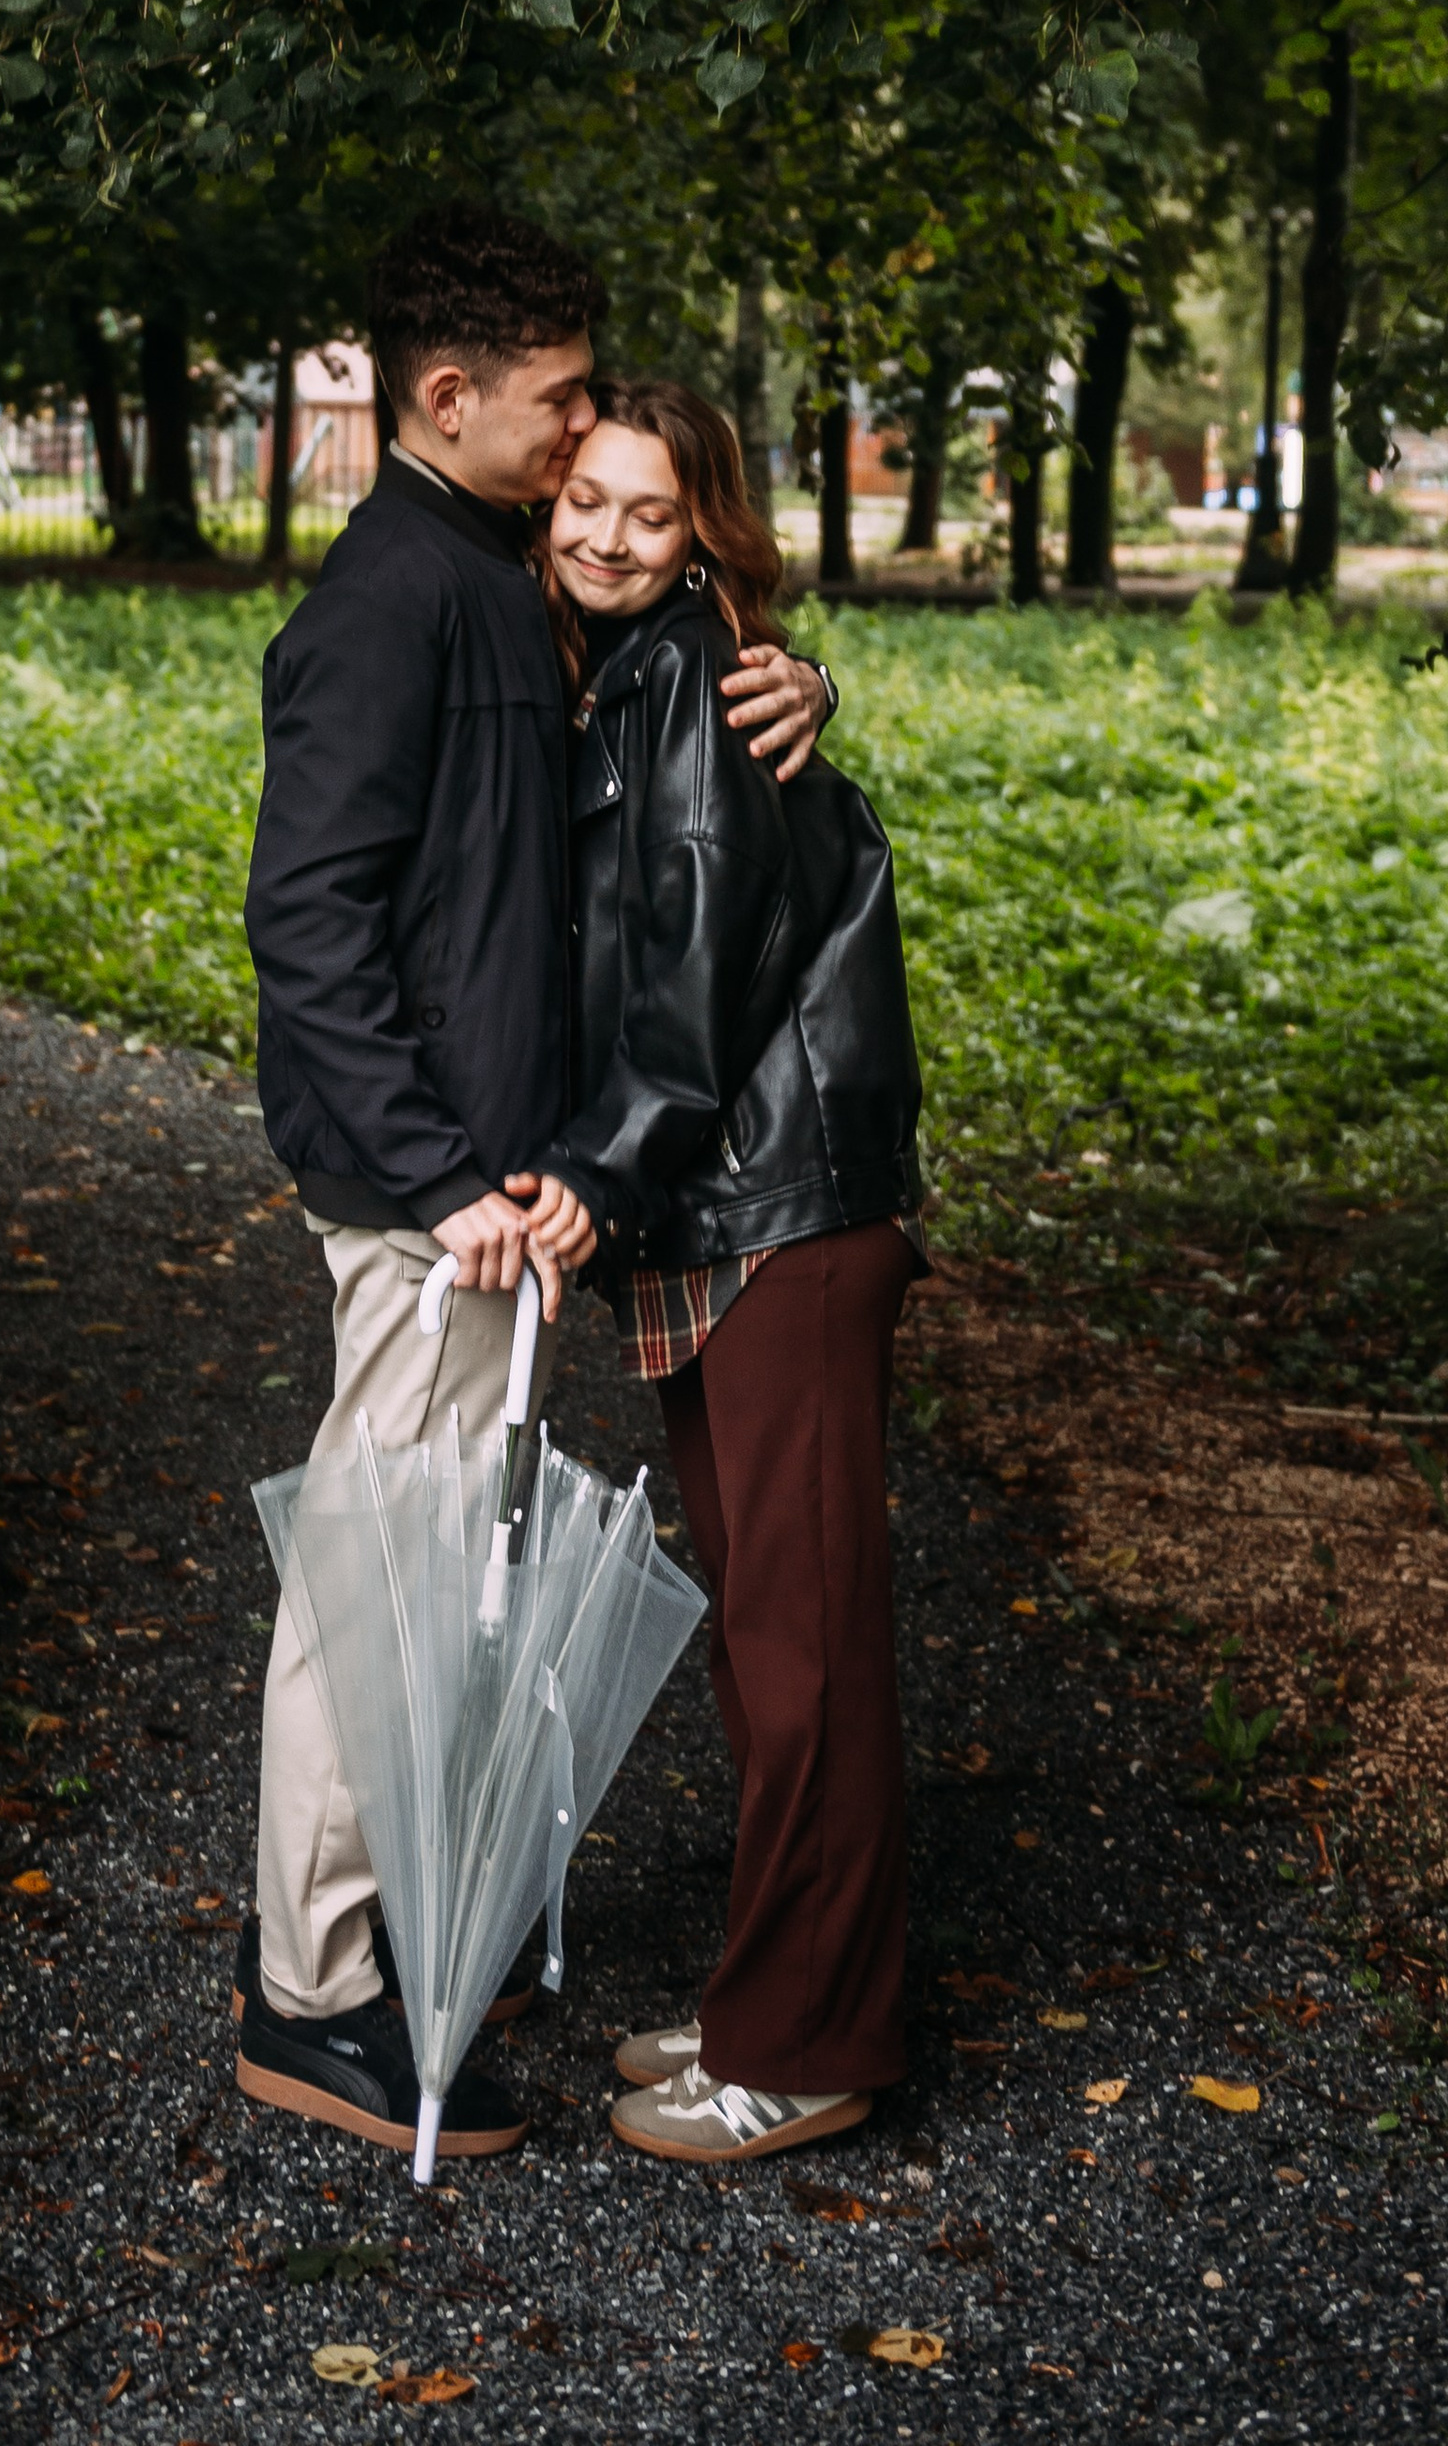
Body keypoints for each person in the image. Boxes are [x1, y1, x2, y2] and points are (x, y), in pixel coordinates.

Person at [234, 211, 831, 2160]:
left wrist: (795, 683)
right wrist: (438, 1180)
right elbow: (305, 920)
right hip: (440, 1204)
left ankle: (377, 1930)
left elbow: (644, 716)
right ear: (446, 396)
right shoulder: (387, 599)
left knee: (431, 1582)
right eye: (560, 398)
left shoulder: (488, 569)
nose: (581, 433)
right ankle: (312, 1996)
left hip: (496, 1197)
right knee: (372, 1582)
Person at [511, 376, 924, 2167]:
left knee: (803, 1649)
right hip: (736, 1210)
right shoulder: (634, 666)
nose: (607, 537)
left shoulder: (692, 675)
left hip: (784, 1212)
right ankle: (774, 1988)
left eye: (650, 512)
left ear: (706, 534)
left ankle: (810, 2044)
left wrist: (597, 1178)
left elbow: (686, 975)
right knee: (767, 1645)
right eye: (584, 500)